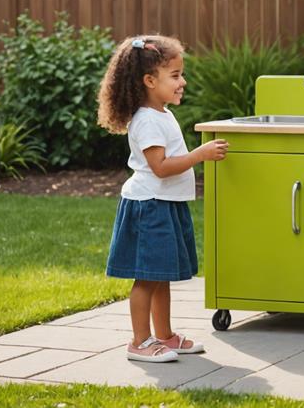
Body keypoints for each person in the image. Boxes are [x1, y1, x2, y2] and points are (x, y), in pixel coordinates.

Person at [97, 35, 229, 362]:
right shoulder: (147, 120)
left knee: (161, 275)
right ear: (149, 80)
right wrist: (200, 155)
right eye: (175, 75)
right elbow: (160, 167)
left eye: (181, 74)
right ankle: (139, 342)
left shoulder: (162, 113)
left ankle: (165, 336)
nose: (183, 81)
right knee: (146, 277)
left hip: (164, 204)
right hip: (148, 207)